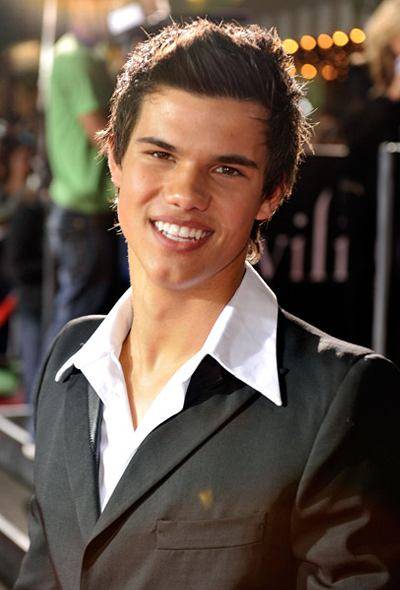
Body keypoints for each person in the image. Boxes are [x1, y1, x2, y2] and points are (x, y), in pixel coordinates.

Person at [15, 19, 400, 590]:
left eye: (226, 169)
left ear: (272, 193)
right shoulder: (70, 362)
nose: (185, 194)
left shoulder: (340, 398)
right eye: (160, 154)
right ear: (115, 161)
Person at [44, 0, 117, 347]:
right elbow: (98, 131)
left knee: (85, 313)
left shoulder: (90, 56)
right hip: (80, 211)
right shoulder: (73, 57)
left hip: (87, 210)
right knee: (77, 319)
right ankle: (50, 383)